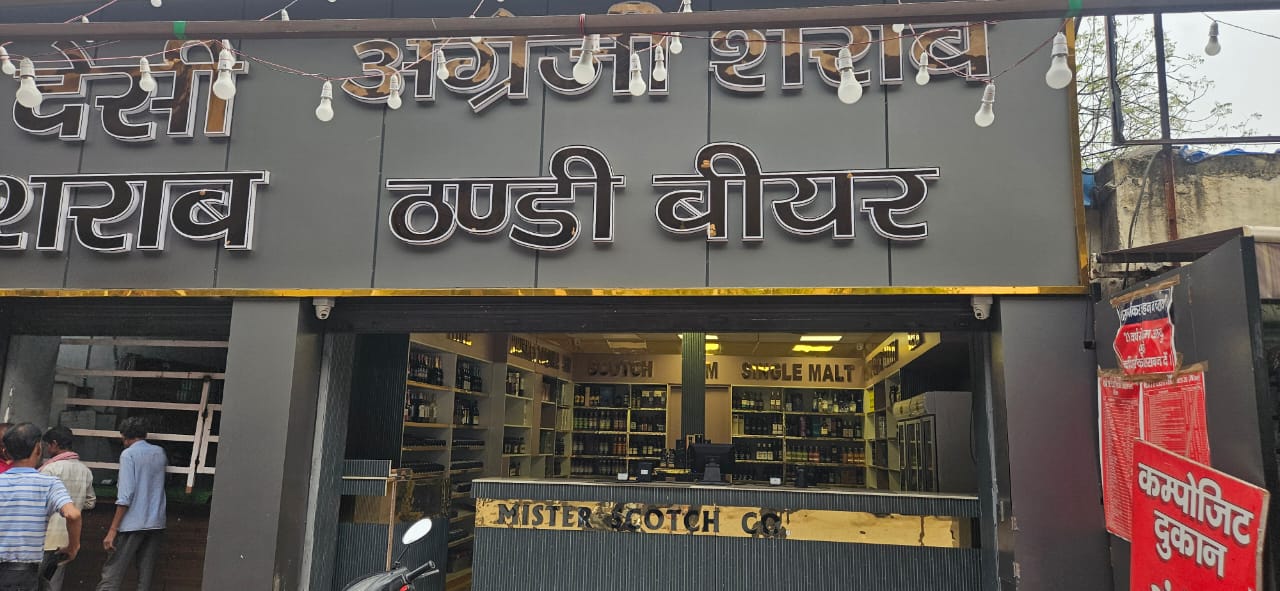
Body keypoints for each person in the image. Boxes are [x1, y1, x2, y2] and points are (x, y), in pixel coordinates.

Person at [0, 423, 81, 591]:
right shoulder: (49, 484)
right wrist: (73, 546)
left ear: (6, 452)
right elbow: (72, 514)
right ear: (38, 449)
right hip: (23, 576)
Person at [95, 417, 166, 591]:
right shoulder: (159, 452)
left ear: (125, 436)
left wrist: (113, 530)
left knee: (112, 573)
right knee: (145, 577)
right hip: (155, 522)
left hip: (131, 523)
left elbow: (126, 495)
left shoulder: (128, 454)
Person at [39, 426, 96, 591]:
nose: (46, 450)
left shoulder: (50, 469)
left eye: (48, 445)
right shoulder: (85, 471)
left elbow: (38, 498)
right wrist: (74, 503)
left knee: (35, 580)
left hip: (45, 536)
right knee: (54, 582)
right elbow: (90, 502)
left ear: (55, 444)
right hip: (68, 537)